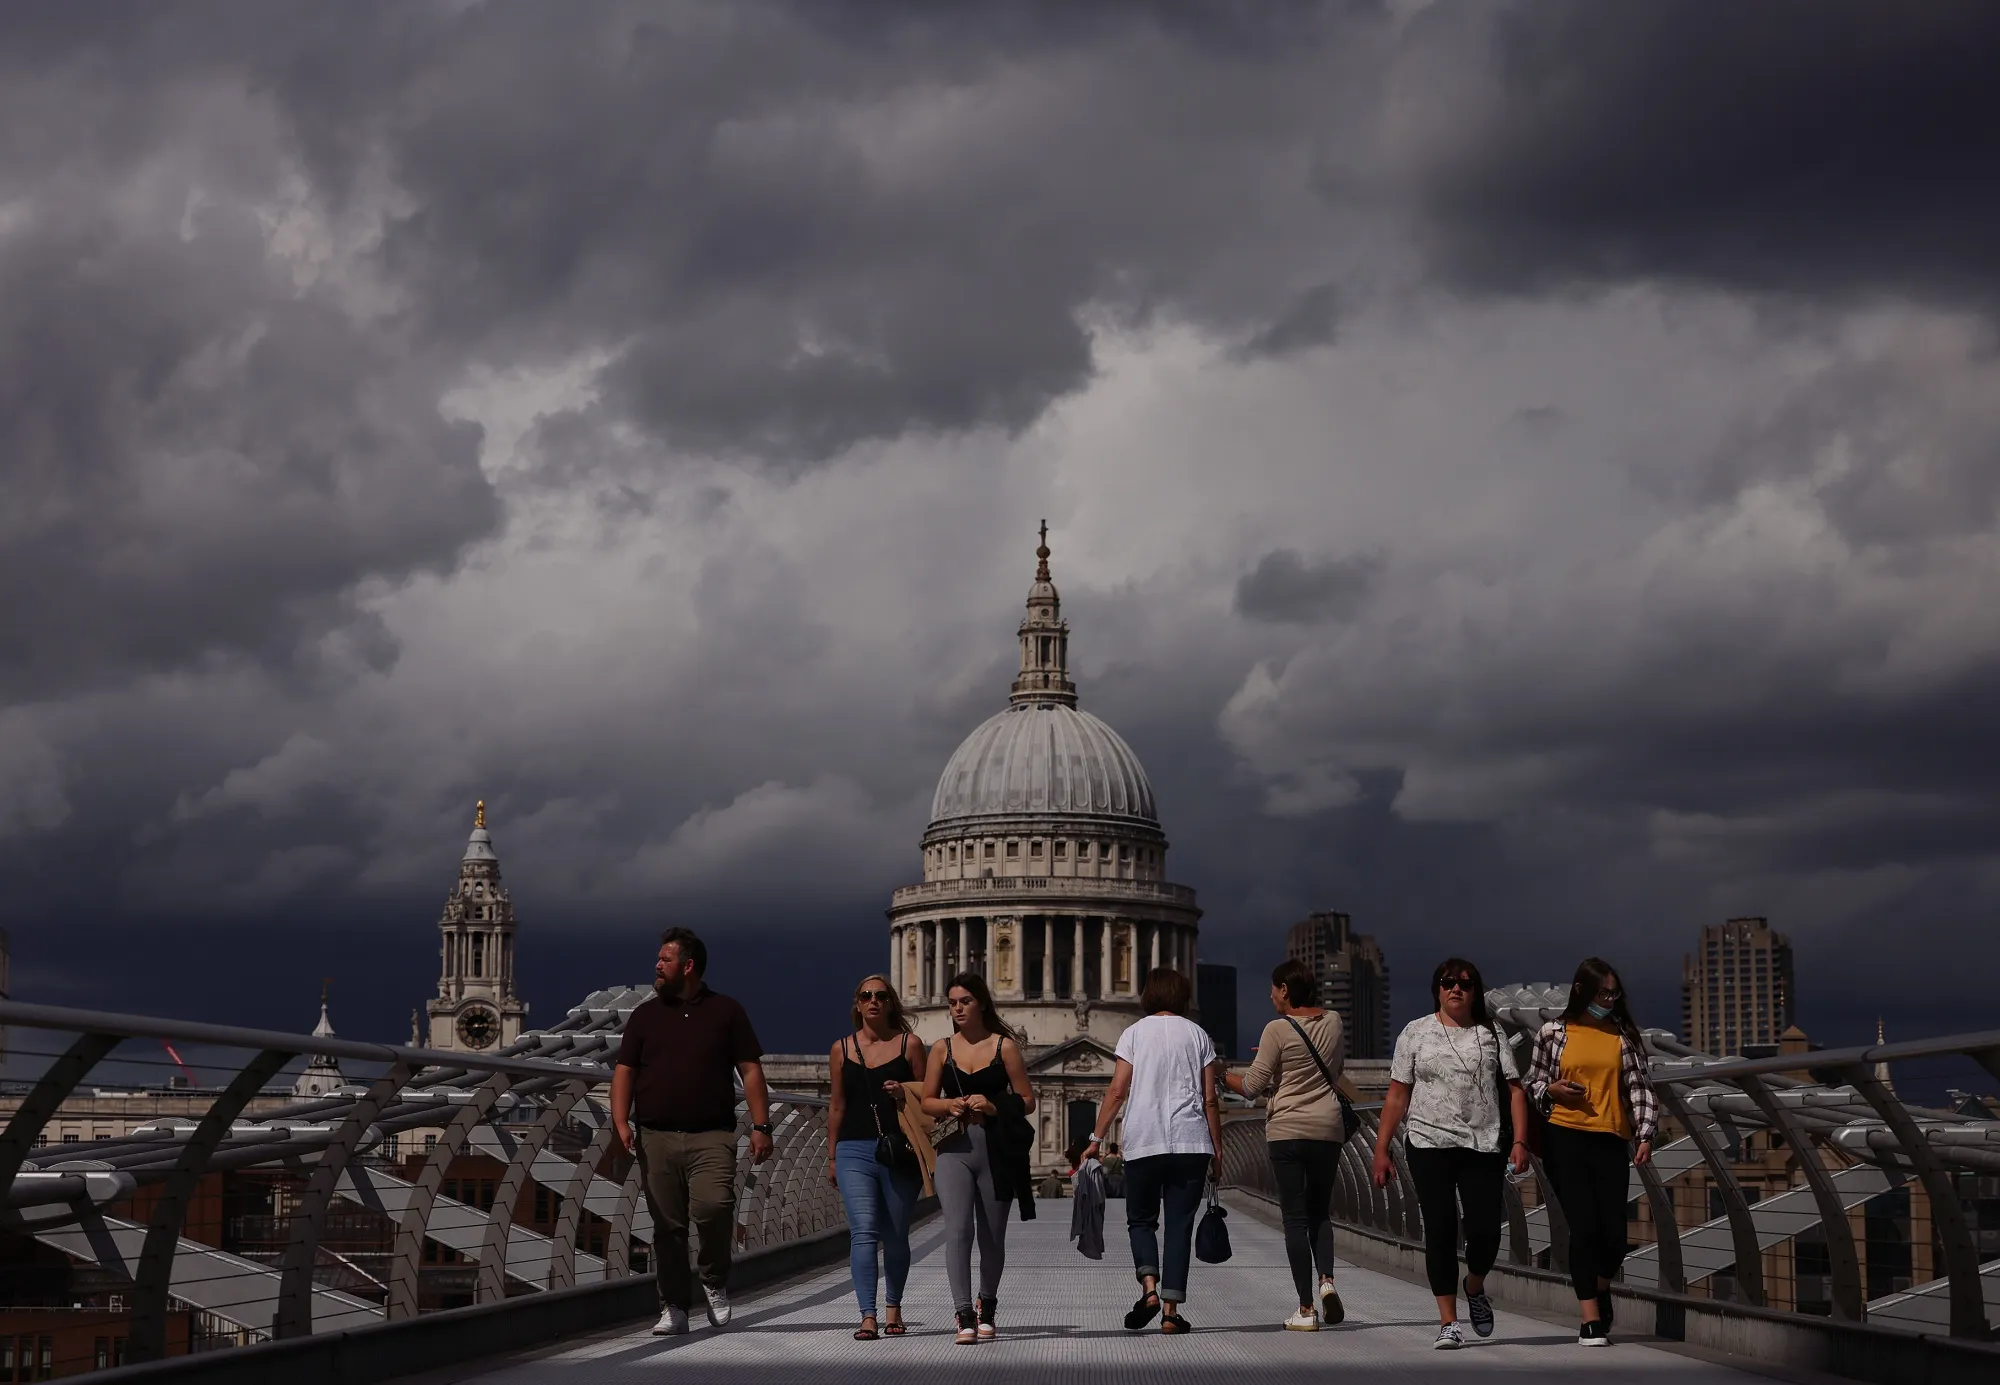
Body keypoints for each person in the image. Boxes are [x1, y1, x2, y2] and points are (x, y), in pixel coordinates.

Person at [612, 927, 773, 1337]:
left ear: (688, 966)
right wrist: (619, 1120)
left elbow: (751, 1070)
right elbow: (624, 1070)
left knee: (715, 1209)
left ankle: (714, 1281)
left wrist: (761, 1126)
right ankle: (673, 1307)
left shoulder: (727, 1011)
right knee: (667, 1227)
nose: (656, 965)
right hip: (656, 1135)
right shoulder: (645, 1016)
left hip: (712, 1134)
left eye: (664, 959)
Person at [1372, 958, 1530, 1350]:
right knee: (1440, 1229)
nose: (1455, 989)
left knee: (1485, 1232)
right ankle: (1448, 1322)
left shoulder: (1492, 1033)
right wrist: (1381, 1149)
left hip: (1483, 1143)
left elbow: (1514, 1090)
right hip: (1428, 1143)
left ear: (1475, 991)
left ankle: (1473, 1286)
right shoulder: (1415, 1033)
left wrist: (1520, 1141)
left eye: (1464, 983)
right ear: (1437, 989)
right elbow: (1397, 1095)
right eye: (1447, 982)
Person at [1524, 957, 1659, 1347]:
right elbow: (1534, 1081)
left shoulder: (1623, 1036)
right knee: (1583, 1228)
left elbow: (1641, 1088)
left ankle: (1601, 1289)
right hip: (1564, 1137)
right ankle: (1589, 1321)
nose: (1610, 999)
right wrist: (1552, 1090)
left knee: (1614, 1236)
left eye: (1615, 993)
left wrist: (1646, 1134)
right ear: (1581, 990)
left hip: (1610, 1137)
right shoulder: (1553, 1032)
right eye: (1603, 992)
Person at [1084, 966, 1220, 1336]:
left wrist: (1096, 1139)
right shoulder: (1198, 1036)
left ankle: (1149, 1289)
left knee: (1141, 1220)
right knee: (1179, 1226)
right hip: (1191, 1143)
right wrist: (1217, 1152)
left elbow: (1116, 1092)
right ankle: (1172, 1313)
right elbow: (1210, 1100)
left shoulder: (1132, 1034)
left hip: (1144, 1141)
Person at [1223, 957, 1347, 1331]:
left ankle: (1306, 1310)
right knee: (1320, 1212)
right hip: (1327, 1127)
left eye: (1274, 988)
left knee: (1294, 1218)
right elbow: (1334, 1070)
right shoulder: (1334, 1021)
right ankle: (1327, 1281)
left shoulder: (1275, 1029)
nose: (1270, 995)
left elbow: (1249, 1088)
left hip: (1288, 1131)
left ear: (1285, 990)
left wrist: (1217, 1073)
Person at [919, 972, 1037, 1345]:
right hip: (953, 1148)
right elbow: (926, 1100)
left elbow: (1027, 1100)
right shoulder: (940, 1048)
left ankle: (987, 1304)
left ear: (982, 1003)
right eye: (952, 1002)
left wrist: (992, 1104)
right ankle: (963, 1313)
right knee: (957, 1231)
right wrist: (949, 1103)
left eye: (965, 1001)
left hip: (995, 1149)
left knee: (992, 1237)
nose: (957, 1008)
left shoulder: (1005, 1047)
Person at [826, 974, 926, 1340]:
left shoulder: (910, 1045)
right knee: (863, 1231)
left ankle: (894, 1306)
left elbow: (927, 1098)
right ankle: (867, 1314)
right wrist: (832, 1155)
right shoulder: (841, 1049)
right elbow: (837, 1105)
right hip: (854, 1148)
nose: (873, 1001)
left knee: (897, 1233)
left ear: (891, 1003)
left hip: (900, 1150)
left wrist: (904, 1091)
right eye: (866, 995)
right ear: (857, 1003)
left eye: (881, 996)